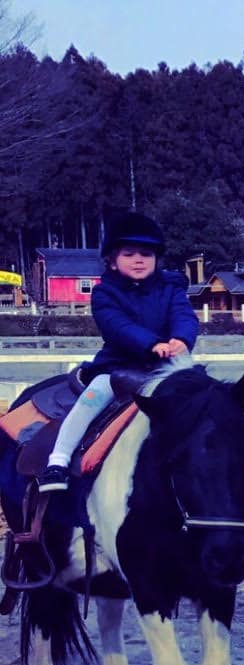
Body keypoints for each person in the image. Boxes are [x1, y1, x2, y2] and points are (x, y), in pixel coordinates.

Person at [36, 211, 199, 493]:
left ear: (157, 258)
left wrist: (181, 339)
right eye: (129, 253)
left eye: (146, 254)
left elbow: (184, 316)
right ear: (112, 260)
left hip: (167, 365)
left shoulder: (172, 289)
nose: (139, 259)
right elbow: (116, 326)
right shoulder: (104, 293)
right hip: (118, 367)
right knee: (92, 398)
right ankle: (58, 461)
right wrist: (150, 343)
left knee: (212, 399)